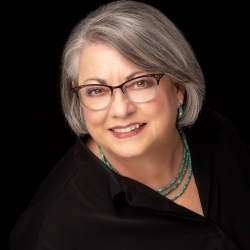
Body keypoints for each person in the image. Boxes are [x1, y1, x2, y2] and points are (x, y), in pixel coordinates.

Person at [9, 0, 250, 249]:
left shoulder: (220, 134)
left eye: (140, 83)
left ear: (178, 87)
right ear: (77, 97)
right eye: (96, 90)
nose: (121, 110)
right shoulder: (52, 233)